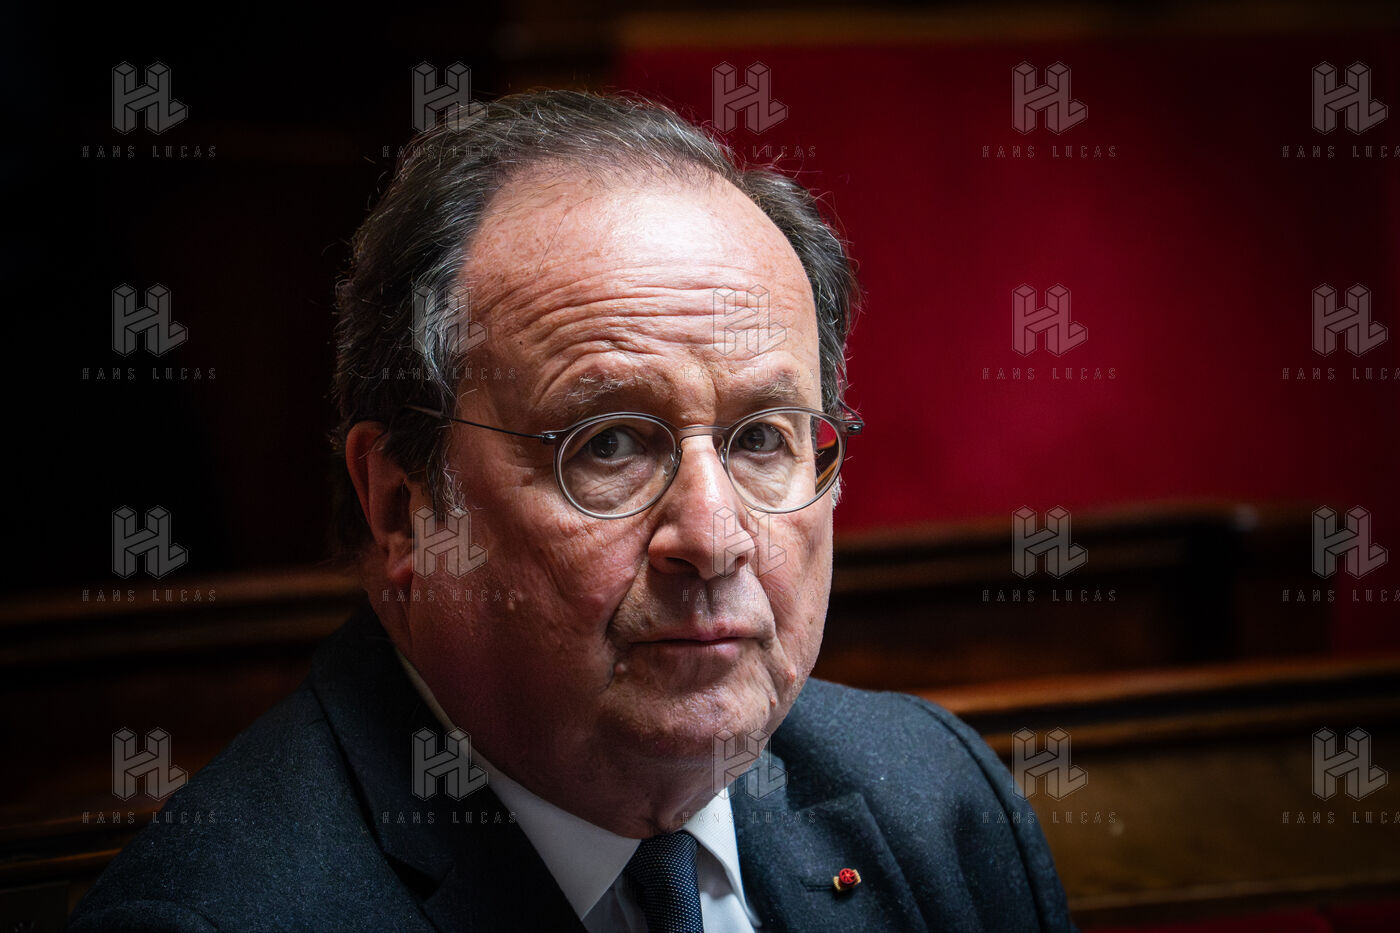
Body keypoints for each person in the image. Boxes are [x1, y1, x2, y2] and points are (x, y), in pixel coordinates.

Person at [69, 90, 1074, 933]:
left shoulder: (936, 803)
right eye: (609, 445)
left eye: (762, 438)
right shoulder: (215, 915)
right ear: (403, 506)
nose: (713, 536)